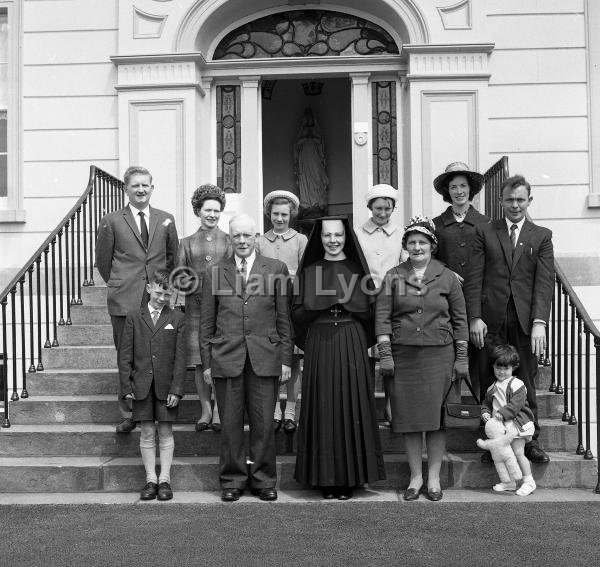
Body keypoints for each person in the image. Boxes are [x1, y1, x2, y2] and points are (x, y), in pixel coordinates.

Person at [199, 214, 293, 502]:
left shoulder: (276, 268)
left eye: (247, 236)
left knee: (264, 423)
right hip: (226, 356)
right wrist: (206, 363)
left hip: (265, 356)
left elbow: (283, 317)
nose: (241, 241)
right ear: (230, 238)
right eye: (236, 236)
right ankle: (233, 479)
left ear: (256, 238)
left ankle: (264, 480)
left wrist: (286, 359)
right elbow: (206, 322)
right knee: (229, 424)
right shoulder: (215, 271)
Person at [375, 216, 468, 502]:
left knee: (437, 421)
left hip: (440, 356)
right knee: (410, 419)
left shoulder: (448, 277)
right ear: (405, 246)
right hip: (404, 357)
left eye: (422, 242)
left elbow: (460, 320)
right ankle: (415, 478)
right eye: (412, 243)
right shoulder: (393, 275)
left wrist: (461, 357)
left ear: (432, 246)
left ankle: (434, 479)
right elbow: (382, 318)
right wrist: (385, 354)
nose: (417, 247)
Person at [292, 216, 385, 500]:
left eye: (338, 235)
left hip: (350, 340)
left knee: (350, 403)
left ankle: (348, 478)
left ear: (347, 237)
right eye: (327, 235)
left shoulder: (358, 271)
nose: (333, 240)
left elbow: (369, 313)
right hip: (320, 342)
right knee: (323, 405)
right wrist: (320, 302)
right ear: (319, 238)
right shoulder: (309, 271)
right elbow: (296, 312)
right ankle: (324, 479)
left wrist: (343, 302)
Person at [464, 174, 554, 464]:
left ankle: (529, 440)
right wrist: (474, 317)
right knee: (490, 380)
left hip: (525, 321)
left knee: (524, 379)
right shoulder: (485, 231)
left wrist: (540, 321)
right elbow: (474, 276)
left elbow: (544, 283)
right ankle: (494, 441)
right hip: (490, 320)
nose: (515, 205)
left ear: (529, 200)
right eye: (509, 199)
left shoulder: (541, 236)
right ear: (500, 201)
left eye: (520, 199)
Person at [96, 166, 179, 433]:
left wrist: (163, 291)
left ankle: (154, 408)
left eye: (145, 185)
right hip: (124, 297)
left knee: (156, 355)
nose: (141, 190)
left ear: (152, 188)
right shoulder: (112, 220)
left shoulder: (166, 219)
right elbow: (103, 262)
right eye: (135, 186)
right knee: (127, 355)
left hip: (156, 297)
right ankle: (128, 413)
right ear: (126, 189)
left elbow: (172, 259)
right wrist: (122, 283)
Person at [118, 269, 186, 501]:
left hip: (166, 388)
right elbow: (125, 355)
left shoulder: (177, 318)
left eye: (167, 295)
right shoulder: (134, 317)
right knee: (147, 431)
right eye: (158, 292)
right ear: (149, 289)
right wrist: (126, 387)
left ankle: (165, 479)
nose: (162, 299)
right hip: (141, 385)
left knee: (166, 431)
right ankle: (150, 479)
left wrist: (177, 389)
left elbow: (181, 357)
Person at [175, 184, 231, 433]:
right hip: (196, 309)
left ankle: (219, 409)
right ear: (198, 211)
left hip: (224, 310)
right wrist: (193, 284)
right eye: (207, 210)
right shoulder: (186, 243)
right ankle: (205, 409)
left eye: (216, 210)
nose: (212, 215)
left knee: (221, 358)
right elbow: (178, 277)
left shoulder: (230, 241)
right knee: (200, 362)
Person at [432, 162, 490, 393]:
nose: (458, 191)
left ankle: (483, 410)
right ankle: (450, 410)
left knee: (481, 355)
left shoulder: (485, 224)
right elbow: (427, 258)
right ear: (448, 191)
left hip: (480, 300)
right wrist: (445, 272)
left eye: (463, 186)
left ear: (470, 189)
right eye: (453, 187)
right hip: (447, 300)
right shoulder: (436, 224)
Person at [356, 183, 407, 426]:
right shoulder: (357, 233)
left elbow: (406, 265)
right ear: (370, 208)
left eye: (388, 208)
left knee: (390, 354)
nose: (383, 213)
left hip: (392, 300)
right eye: (378, 208)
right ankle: (365, 407)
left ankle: (391, 405)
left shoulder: (401, 234)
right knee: (365, 352)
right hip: (364, 300)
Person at [257, 190, 307, 433]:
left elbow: (305, 273)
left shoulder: (300, 240)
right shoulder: (260, 241)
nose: (279, 218)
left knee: (293, 358)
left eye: (284, 214)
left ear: (291, 215)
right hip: (266, 305)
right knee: (271, 356)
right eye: (275, 214)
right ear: (269, 214)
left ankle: (290, 410)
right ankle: (275, 408)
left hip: (291, 303)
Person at [480, 344, 537, 496]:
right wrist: (485, 413)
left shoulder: (517, 384)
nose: (502, 372)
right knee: (504, 456)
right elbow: (486, 403)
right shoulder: (492, 387)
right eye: (499, 368)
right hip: (501, 429)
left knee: (518, 453)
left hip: (516, 425)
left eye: (506, 368)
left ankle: (529, 481)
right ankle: (510, 482)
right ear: (493, 366)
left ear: (514, 367)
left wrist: (502, 413)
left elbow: (516, 404)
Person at [294, 108, 329, 217]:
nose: (309, 120)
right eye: (307, 118)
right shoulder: (302, 130)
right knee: (305, 181)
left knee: (317, 180)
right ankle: (307, 205)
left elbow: (321, 144)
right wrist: (305, 139)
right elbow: (296, 145)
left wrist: (311, 139)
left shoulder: (316, 130)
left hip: (315, 160)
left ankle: (318, 203)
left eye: (310, 118)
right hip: (304, 160)